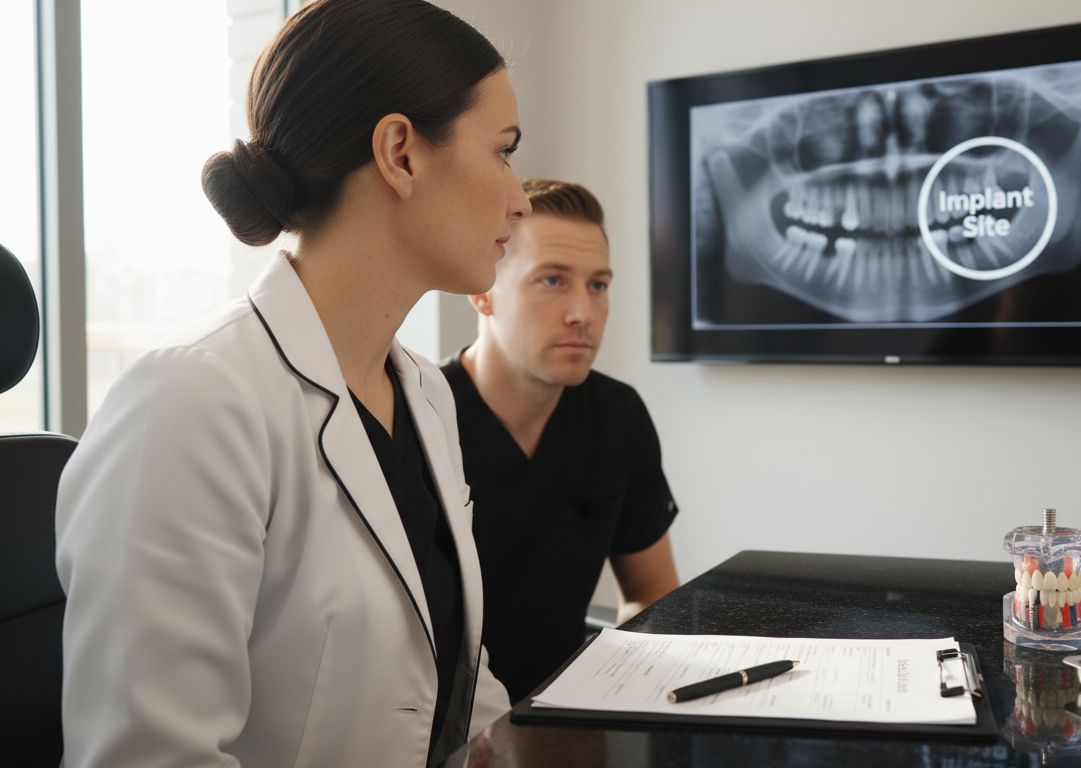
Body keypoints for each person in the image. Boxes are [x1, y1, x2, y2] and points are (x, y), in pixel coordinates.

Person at [54, 1, 527, 765]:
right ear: (401, 152)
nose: (520, 199)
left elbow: (465, 695)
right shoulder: (191, 404)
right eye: (502, 151)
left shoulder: (426, 395)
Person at [442, 179, 680, 704]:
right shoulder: (420, 418)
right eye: (552, 280)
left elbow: (650, 593)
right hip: (434, 735)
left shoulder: (617, 416)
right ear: (482, 292)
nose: (583, 313)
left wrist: (625, 700)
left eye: (598, 285)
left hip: (568, 713)